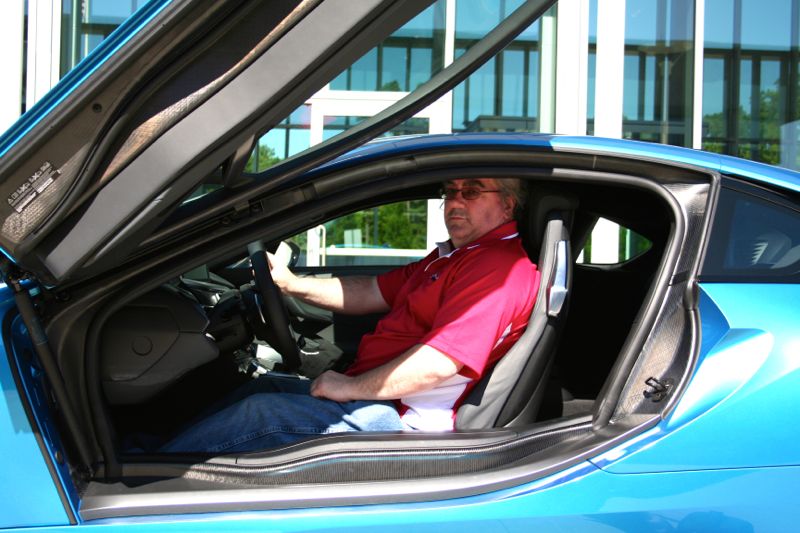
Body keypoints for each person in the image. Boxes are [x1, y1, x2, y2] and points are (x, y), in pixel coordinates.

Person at [161, 178, 540, 453]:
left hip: (402, 420)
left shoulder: (498, 268)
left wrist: (350, 387)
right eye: (450, 192)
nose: (454, 202)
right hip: (381, 400)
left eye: (471, 192)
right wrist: (291, 284)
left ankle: (153, 475)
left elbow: (440, 362)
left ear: (507, 205)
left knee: (261, 413)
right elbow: (371, 291)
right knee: (264, 388)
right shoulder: (453, 258)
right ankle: (155, 450)